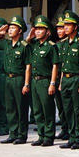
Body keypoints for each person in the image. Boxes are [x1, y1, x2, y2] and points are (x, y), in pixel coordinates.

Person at [54, 11, 79, 149]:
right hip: (66, 80)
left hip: (76, 79)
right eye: (65, 25)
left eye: (68, 25)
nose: (65, 27)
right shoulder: (64, 44)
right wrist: (61, 81)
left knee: (77, 110)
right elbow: (63, 65)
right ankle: (71, 137)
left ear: (75, 27)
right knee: (67, 110)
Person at [0, 17, 30, 144]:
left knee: (21, 108)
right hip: (8, 79)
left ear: (20, 31)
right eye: (9, 28)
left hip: (19, 79)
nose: (10, 30)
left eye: (13, 28)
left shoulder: (24, 46)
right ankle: (12, 133)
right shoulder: (6, 44)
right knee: (10, 108)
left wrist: (26, 84)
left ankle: (22, 135)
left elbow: (28, 67)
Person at [25, 15, 57, 147]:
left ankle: (49, 136)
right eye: (36, 29)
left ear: (47, 31)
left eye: (41, 29)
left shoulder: (51, 46)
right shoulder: (34, 45)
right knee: (37, 110)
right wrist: (30, 35)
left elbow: (55, 66)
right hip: (35, 81)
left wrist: (52, 83)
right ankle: (41, 135)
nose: (38, 31)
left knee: (47, 109)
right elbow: (25, 43)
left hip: (45, 81)